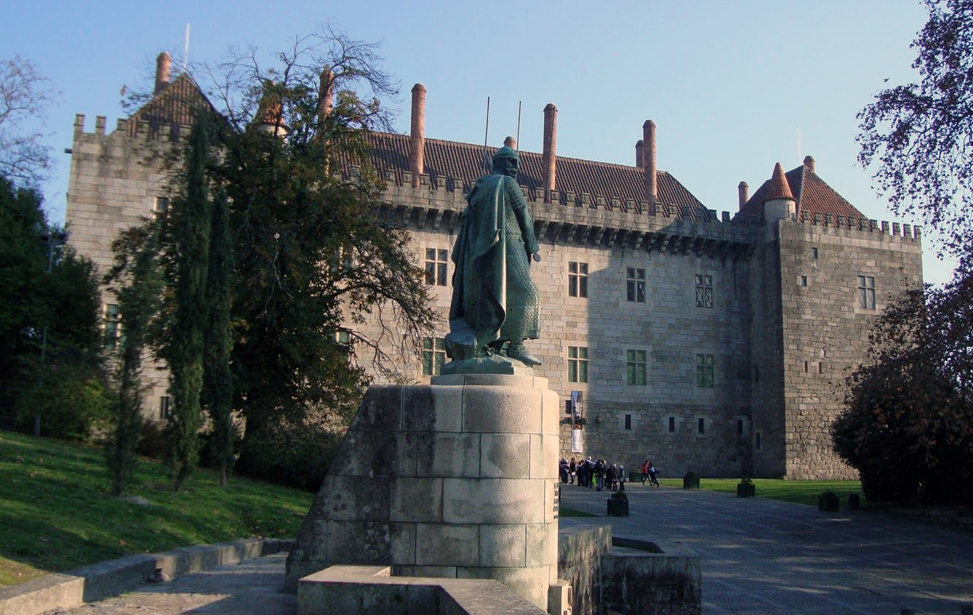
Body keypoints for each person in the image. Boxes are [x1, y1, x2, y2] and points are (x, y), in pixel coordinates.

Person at [445, 144, 541, 366]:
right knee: (528, 294)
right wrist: (532, 246)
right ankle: (516, 346)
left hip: (483, 252)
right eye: (511, 163)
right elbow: (524, 215)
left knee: (496, 296)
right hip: (510, 243)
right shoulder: (507, 184)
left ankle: (498, 344)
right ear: (500, 163)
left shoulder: (479, 187)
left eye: (517, 163)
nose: (516, 168)